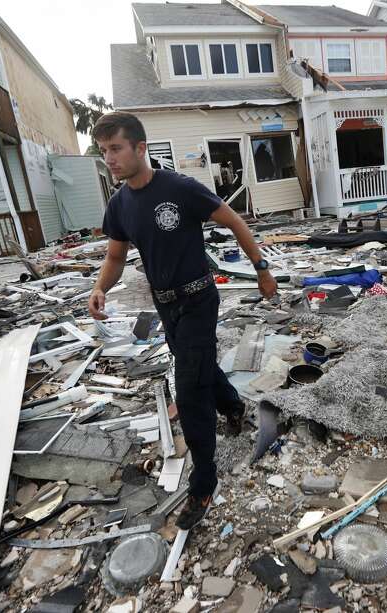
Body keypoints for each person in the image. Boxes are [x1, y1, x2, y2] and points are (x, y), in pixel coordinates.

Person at [87, 112, 277, 530]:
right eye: (104, 153)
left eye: (116, 149)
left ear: (139, 148)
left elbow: (234, 221)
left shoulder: (180, 189)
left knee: (188, 389)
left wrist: (261, 268)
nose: (110, 160)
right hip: (166, 306)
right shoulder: (120, 204)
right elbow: (116, 257)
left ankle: (204, 482)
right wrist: (101, 287)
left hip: (198, 299)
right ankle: (232, 405)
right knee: (200, 366)